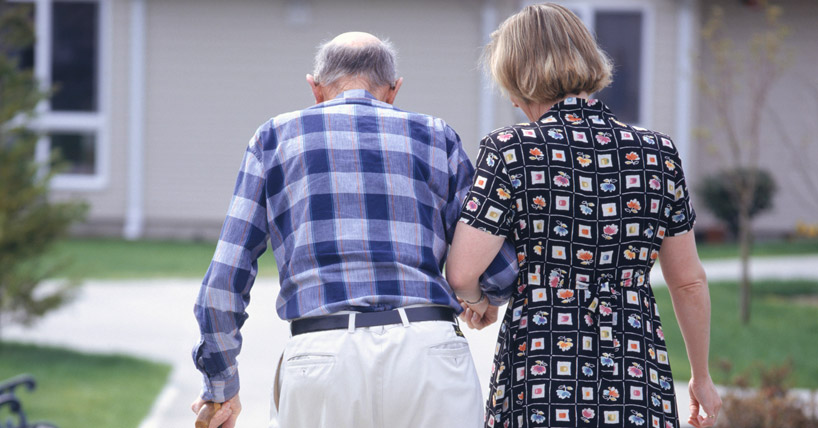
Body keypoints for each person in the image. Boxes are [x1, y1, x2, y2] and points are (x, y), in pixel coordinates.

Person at [189, 31, 518, 428]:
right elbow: (498, 266)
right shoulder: (437, 136)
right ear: (394, 90)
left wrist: (220, 386)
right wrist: (484, 297)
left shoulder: (273, 138)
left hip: (321, 357)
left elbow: (224, 280)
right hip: (427, 350)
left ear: (315, 89)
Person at [446, 4, 722, 428]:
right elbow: (688, 280)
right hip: (634, 369)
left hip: (541, 369)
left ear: (517, 81)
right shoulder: (657, 152)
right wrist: (700, 375)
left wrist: (479, 304)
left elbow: (463, 271)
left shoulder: (510, 149)